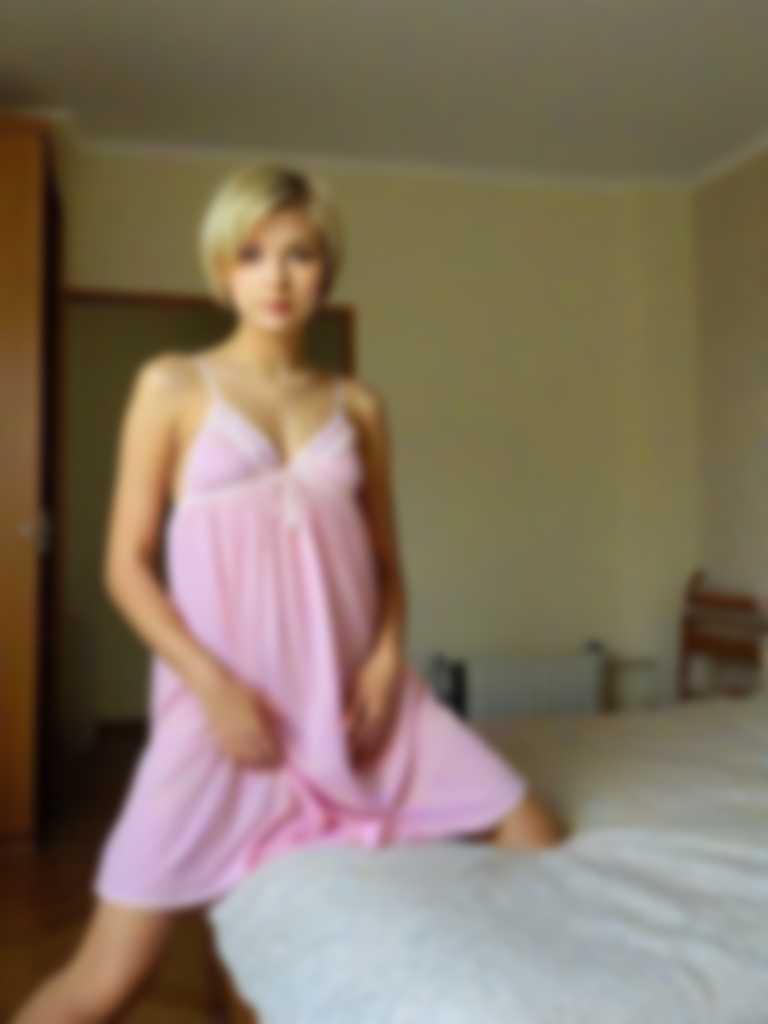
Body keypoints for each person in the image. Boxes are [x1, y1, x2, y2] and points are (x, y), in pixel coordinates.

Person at [11, 162, 566, 1022]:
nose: (276, 276)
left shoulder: (359, 405)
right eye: (253, 254)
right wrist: (210, 687)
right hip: (225, 716)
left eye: (299, 254)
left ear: (325, 269)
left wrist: (384, 663)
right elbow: (124, 565)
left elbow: (387, 560)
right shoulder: (172, 385)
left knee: (540, 839)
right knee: (109, 979)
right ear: (222, 268)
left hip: (358, 703)